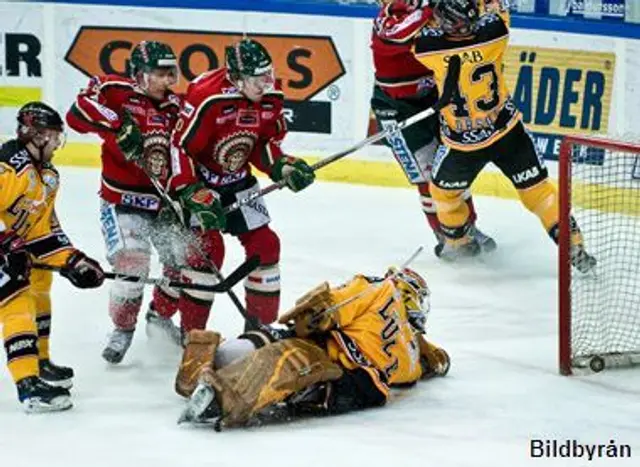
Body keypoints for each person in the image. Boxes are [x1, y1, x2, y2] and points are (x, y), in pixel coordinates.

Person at [412, 0, 596, 270]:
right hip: (509, 133)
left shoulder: (428, 48)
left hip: (462, 146)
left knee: (443, 194)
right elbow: (497, 7)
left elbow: (418, 23)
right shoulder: (495, 33)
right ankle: (573, 244)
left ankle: (459, 244)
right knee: (540, 193)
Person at [174, 266, 450, 429]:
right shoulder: (414, 347)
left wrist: (320, 313)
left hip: (346, 370)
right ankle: (225, 377)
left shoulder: (379, 291)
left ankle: (216, 374)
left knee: (289, 351)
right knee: (290, 349)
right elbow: (437, 360)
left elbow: (336, 302)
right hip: (362, 387)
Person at [169, 38, 315, 331]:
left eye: (267, 75)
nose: (265, 85)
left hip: (239, 182)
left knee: (267, 246)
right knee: (208, 253)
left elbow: (263, 143)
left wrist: (281, 165)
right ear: (235, 79)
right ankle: (192, 336)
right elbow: (179, 146)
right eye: (256, 79)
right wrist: (190, 189)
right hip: (201, 185)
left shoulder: (271, 97)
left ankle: (258, 332)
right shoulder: (208, 97)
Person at [66, 40, 190, 364]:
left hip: (163, 202)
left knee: (182, 262)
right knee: (132, 265)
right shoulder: (114, 90)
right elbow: (77, 113)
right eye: (161, 74)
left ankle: (159, 318)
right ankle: (122, 329)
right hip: (122, 199)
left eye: (172, 73)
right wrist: (119, 124)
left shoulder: (177, 107)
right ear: (140, 74)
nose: (169, 81)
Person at [0, 102, 105, 412]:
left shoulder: (48, 176)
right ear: (38, 136)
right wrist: (5, 244)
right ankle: (28, 386)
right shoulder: (8, 166)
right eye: (55, 136)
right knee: (16, 298)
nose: (59, 143)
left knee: (39, 283)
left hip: (10, 248)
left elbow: (43, 233)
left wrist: (74, 261)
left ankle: (40, 360)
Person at [370, 0, 495, 258]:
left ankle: (467, 226)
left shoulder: (434, 11)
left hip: (434, 99)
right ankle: (445, 235)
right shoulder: (388, 17)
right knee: (427, 178)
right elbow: (398, 34)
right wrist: (428, 9)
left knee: (453, 169)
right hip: (396, 108)